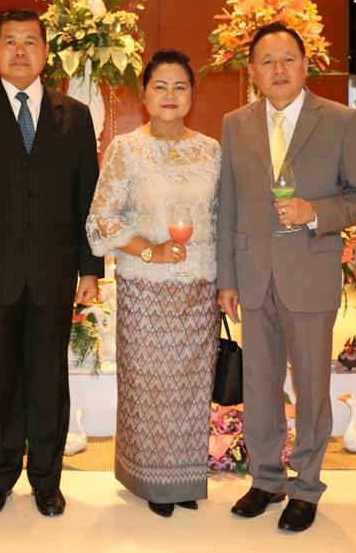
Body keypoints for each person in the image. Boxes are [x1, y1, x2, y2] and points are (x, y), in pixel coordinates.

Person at [0, 8, 103, 518]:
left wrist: (90, 269)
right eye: (9, 41)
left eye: (30, 41)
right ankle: (0, 477)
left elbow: (87, 196)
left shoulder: (74, 115)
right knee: (0, 380)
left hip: (53, 270)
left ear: (46, 52)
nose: (20, 51)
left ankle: (47, 481)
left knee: (49, 381)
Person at [217, 22, 356, 533]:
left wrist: (316, 212)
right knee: (260, 384)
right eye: (267, 61)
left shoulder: (339, 119)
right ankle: (265, 478)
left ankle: (306, 485)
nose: (278, 69)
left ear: (306, 66)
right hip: (253, 274)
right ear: (253, 71)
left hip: (309, 271)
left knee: (311, 387)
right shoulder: (235, 123)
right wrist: (226, 278)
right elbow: (228, 205)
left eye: (288, 59)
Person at [86, 49, 220, 518]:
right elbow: (103, 217)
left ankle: (184, 480)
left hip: (199, 288)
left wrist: (227, 282)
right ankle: (151, 482)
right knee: (148, 387)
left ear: (192, 95)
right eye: (160, 86)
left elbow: (221, 217)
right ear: (143, 95)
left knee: (192, 387)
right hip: (146, 288)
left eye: (179, 86)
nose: (169, 95)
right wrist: (149, 250)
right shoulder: (126, 149)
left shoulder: (211, 150)